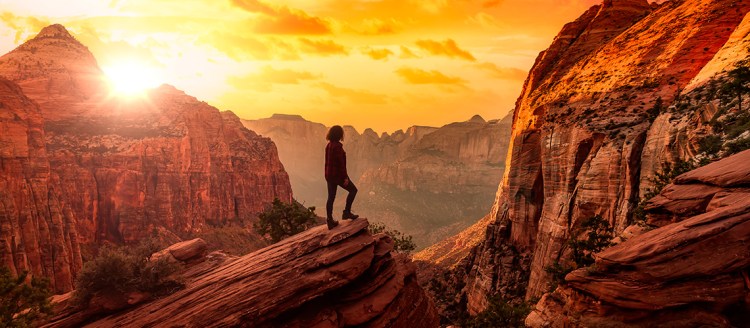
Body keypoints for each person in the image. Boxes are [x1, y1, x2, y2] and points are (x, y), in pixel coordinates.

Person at [325, 125, 359, 229]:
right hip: (337, 176)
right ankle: (346, 212)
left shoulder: (329, 145)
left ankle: (329, 220)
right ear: (339, 135)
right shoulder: (338, 147)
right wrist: (345, 178)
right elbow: (341, 165)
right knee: (353, 190)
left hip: (329, 175)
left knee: (331, 197)